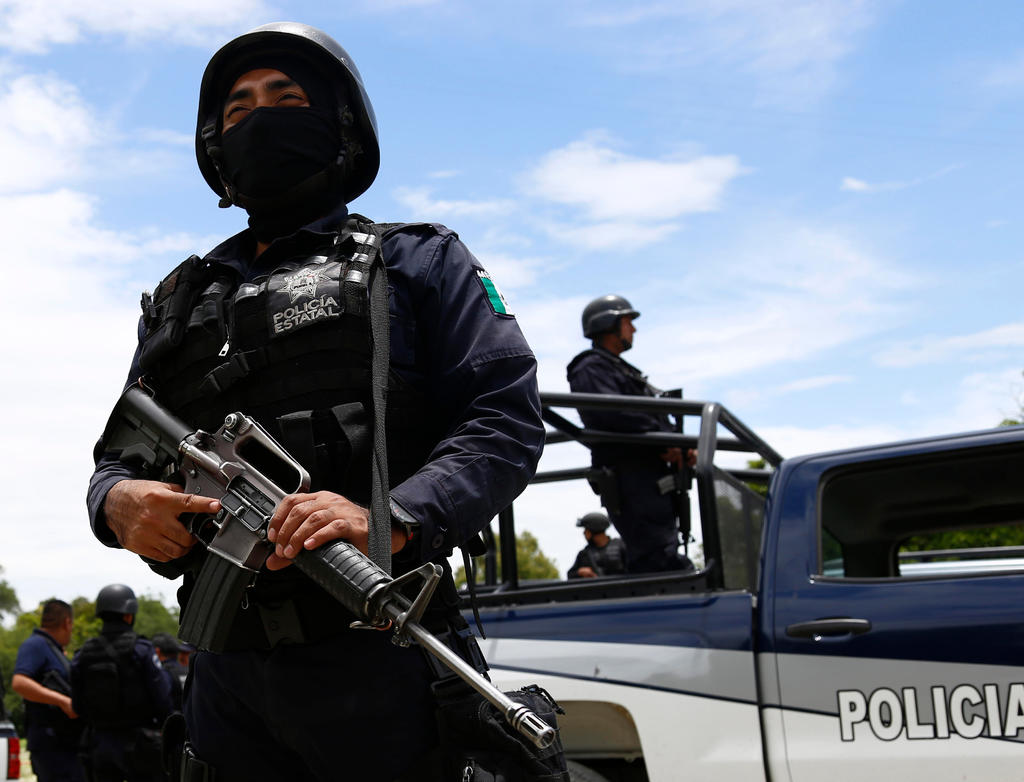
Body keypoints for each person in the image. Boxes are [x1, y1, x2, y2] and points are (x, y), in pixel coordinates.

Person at [86, 21, 544, 782]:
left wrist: (390, 517)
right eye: (238, 109)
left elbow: (503, 419)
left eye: (285, 98)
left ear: (339, 126)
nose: (259, 116)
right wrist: (116, 504)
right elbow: (118, 457)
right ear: (216, 147)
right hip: (226, 676)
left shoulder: (416, 259)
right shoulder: (179, 302)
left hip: (382, 649)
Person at [567, 295, 695, 574]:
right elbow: (613, 414)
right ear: (609, 324)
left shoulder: (619, 370)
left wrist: (679, 445)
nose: (633, 329)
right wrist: (664, 443)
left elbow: (641, 415)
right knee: (658, 559)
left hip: (649, 479)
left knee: (660, 556)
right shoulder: (590, 367)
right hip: (631, 480)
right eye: (627, 322)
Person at [70, 585, 173, 782]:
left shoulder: (82, 654)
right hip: (140, 743)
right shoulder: (142, 650)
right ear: (128, 615)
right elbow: (162, 698)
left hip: (100, 745)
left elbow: (78, 706)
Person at [11, 599, 86, 782]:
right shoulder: (36, 645)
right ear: (67, 623)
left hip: (63, 744)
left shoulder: (53, 649)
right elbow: (19, 682)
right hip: (51, 745)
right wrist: (62, 701)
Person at [567, 512, 627, 579]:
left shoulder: (621, 546)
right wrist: (579, 572)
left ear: (593, 530)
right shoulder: (584, 554)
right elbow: (570, 575)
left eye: (586, 529)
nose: (584, 533)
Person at [151, 633, 187, 711]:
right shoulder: (187, 670)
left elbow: (163, 702)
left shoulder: (162, 673)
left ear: (157, 651)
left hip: (172, 716)